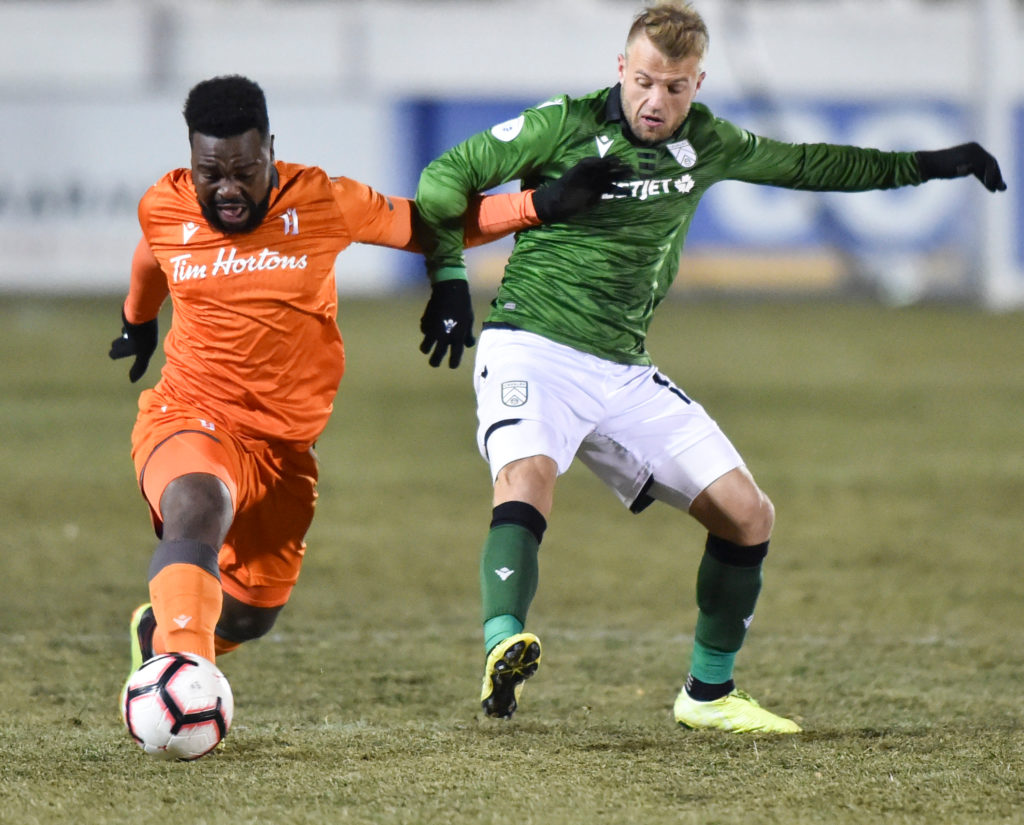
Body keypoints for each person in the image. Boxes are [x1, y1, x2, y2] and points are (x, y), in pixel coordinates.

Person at [413, 2, 1006, 732]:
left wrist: (932, 164)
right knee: (528, 474)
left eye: (675, 88)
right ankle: (504, 642)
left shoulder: (709, 140)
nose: (655, 102)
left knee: (749, 514)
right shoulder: (561, 126)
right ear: (620, 70)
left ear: (698, 83)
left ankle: (708, 693)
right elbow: (444, 178)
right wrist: (450, 276)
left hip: (623, 368)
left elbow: (811, 164)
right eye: (644, 82)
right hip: (531, 345)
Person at [109, 74, 627, 708]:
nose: (227, 189)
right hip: (189, 413)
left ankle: (154, 628)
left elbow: (429, 223)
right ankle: (180, 675)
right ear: (192, 161)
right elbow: (148, 258)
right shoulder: (165, 204)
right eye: (210, 172)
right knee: (197, 504)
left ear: (270, 149)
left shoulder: (322, 200)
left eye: (244, 170)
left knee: (248, 615)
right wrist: (138, 321)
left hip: (284, 448)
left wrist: (538, 206)